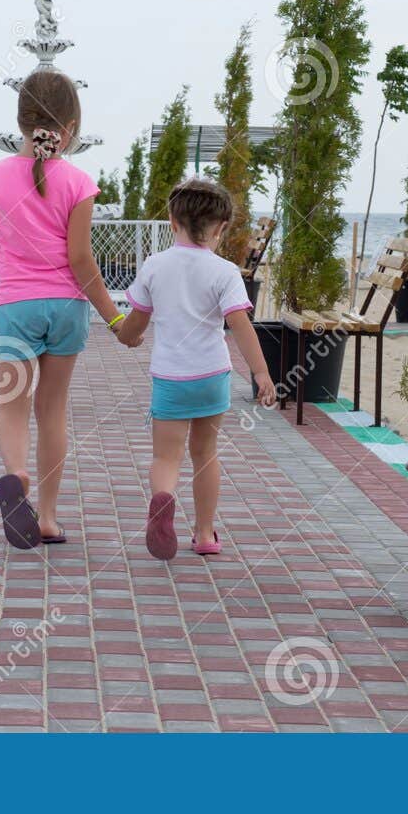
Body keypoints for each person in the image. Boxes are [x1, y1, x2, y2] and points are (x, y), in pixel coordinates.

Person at [0, 70, 122, 550]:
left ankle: (17, 474)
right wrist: (113, 314)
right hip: (67, 308)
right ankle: (50, 518)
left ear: (20, 122)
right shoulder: (79, 182)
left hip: (15, 305)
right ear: (72, 127)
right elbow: (81, 259)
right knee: (52, 411)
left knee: (11, 407)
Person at [114, 178, 276, 560]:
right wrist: (261, 372)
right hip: (211, 376)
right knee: (206, 454)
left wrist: (127, 336)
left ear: (172, 221)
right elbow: (240, 324)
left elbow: (134, 324)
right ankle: (204, 534)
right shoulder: (224, 272)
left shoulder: (155, 266)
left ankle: (163, 498)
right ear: (220, 229)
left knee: (165, 457)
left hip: (170, 379)